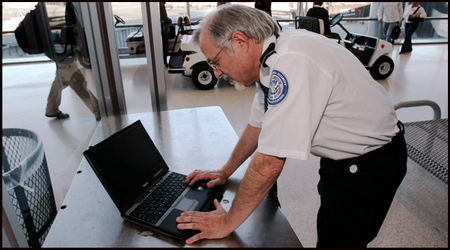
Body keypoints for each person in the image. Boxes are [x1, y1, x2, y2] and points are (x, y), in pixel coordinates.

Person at [176, 5, 407, 247]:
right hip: (341, 161)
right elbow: (258, 125)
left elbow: (269, 163)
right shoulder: (271, 57)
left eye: (216, 61)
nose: (217, 72)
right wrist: (226, 170)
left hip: (370, 165)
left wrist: (227, 222)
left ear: (240, 41)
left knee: (340, 241)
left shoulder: (292, 61)